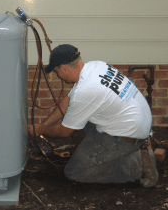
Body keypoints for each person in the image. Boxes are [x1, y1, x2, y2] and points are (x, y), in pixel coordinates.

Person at [29, 44, 158, 187]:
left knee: (74, 172)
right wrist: (44, 125)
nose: (57, 75)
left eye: (56, 71)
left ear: (64, 68)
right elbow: (67, 102)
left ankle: (138, 166)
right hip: (137, 122)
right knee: (80, 117)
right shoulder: (96, 66)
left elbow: (64, 131)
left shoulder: (86, 90)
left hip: (128, 134)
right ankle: (130, 150)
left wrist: (39, 130)